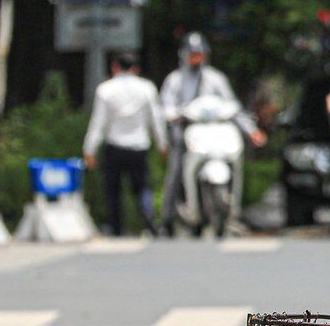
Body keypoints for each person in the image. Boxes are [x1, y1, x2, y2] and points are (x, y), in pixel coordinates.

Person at [158, 32, 242, 236]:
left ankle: (234, 209)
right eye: (192, 55)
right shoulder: (175, 80)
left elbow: (232, 104)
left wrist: (251, 130)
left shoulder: (215, 78)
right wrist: (174, 115)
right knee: (177, 170)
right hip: (186, 133)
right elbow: (165, 106)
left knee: (235, 157)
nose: (196, 58)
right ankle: (167, 219)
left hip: (213, 133)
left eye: (199, 54)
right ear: (184, 55)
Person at [83, 52, 167, 236]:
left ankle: (116, 228)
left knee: (113, 190)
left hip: (115, 146)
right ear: (136, 69)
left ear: (115, 68)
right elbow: (156, 119)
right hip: (139, 146)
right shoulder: (147, 88)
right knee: (142, 187)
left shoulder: (105, 89)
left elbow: (98, 122)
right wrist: (162, 144)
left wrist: (89, 149)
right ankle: (148, 218)